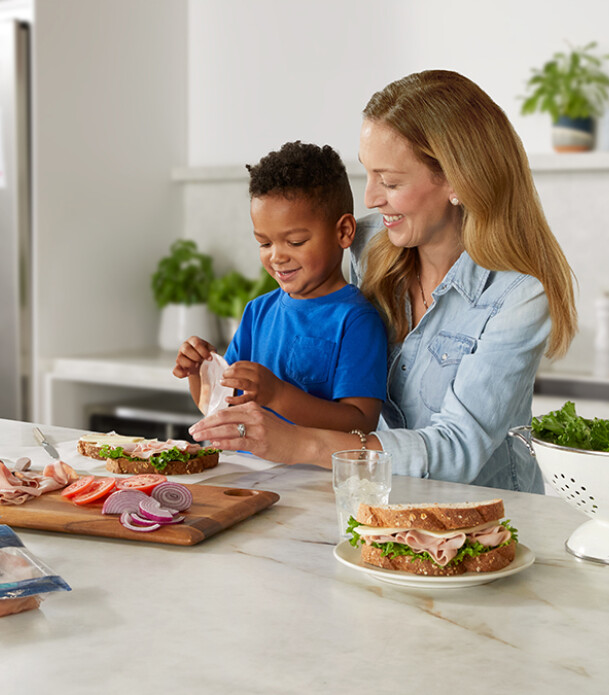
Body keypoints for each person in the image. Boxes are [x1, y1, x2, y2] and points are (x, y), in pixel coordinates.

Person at [189, 70, 577, 494]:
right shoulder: (367, 245)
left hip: (486, 512)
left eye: (390, 181)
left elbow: (457, 450)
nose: (371, 197)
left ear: (456, 180)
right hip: (386, 500)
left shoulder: (517, 295)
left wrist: (299, 443)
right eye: (369, 175)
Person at [174, 141, 388, 434]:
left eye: (295, 242)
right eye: (264, 243)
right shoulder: (257, 312)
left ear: (343, 231)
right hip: (249, 475)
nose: (276, 256)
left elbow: (361, 423)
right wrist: (199, 372)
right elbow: (223, 405)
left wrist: (277, 395)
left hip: (312, 479)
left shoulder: (356, 320)